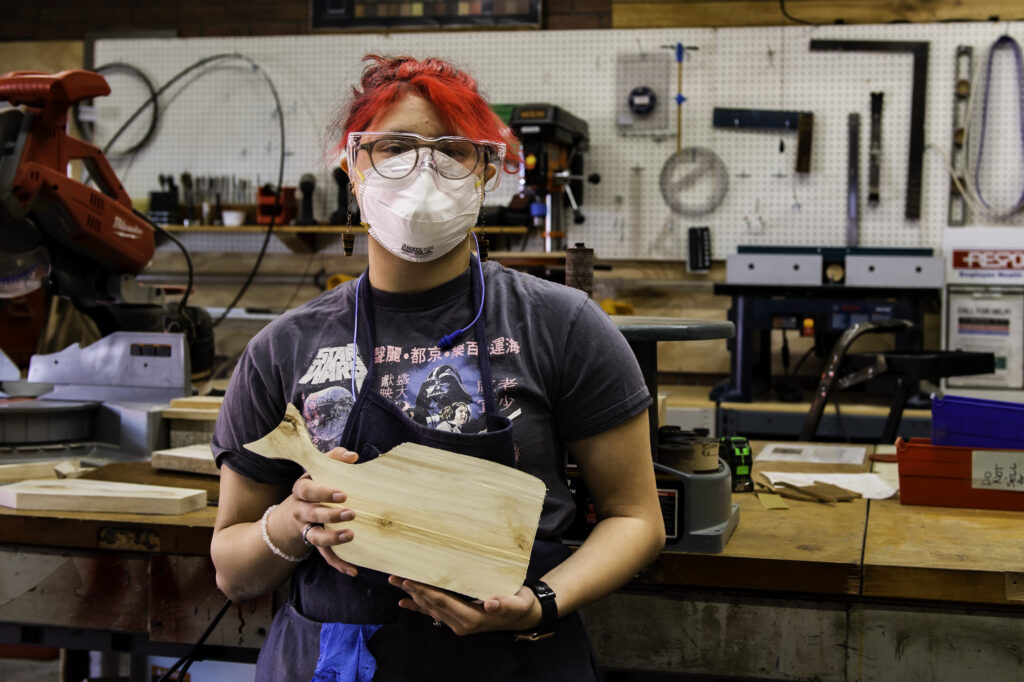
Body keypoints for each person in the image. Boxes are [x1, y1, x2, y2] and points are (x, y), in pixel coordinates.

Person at [210, 54, 665, 682]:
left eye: (452, 149)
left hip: (515, 660)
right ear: (351, 166)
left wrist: (540, 603)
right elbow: (232, 570)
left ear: (485, 172)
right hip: (336, 665)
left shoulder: (562, 325)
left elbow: (636, 518)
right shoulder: (283, 346)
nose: (423, 169)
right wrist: (292, 522)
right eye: (394, 147)